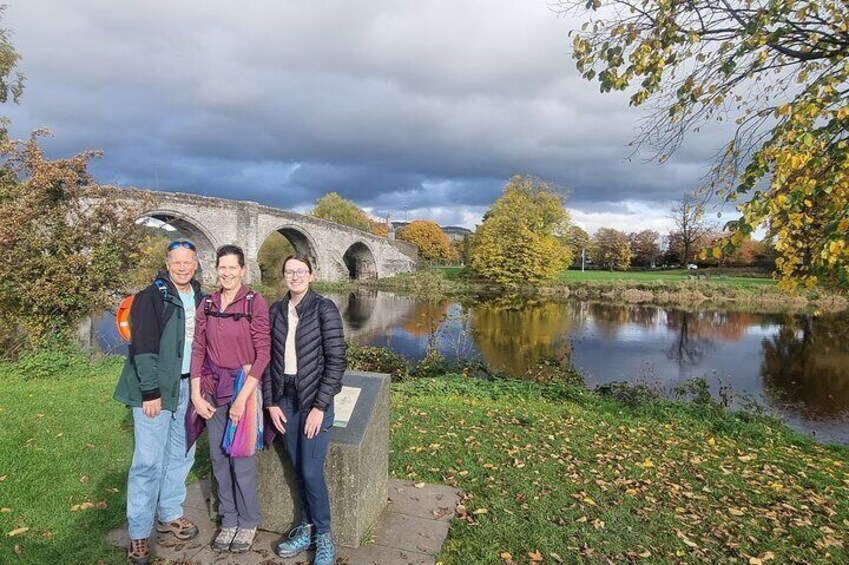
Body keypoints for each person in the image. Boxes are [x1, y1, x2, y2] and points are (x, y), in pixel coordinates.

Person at [114, 239, 204, 565]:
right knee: (148, 462)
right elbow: (144, 347)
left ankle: (170, 513)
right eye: (176, 262)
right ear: (168, 264)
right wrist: (150, 391)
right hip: (155, 391)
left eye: (188, 262)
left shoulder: (201, 298)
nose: (182, 267)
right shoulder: (151, 297)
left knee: (181, 454)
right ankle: (139, 533)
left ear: (195, 264)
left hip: (187, 390)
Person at [263, 254, 346, 565]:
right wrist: (270, 403)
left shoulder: (324, 309)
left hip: (314, 402)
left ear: (312, 275)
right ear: (283, 276)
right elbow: (268, 361)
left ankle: (324, 536)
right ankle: (307, 528)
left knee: (311, 471)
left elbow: (336, 362)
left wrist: (319, 407)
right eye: (289, 272)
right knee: (299, 469)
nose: (295, 276)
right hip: (284, 400)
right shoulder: (276, 311)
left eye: (300, 271)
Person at [189, 244, 270, 553]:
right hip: (212, 386)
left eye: (232, 267)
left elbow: (263, 354)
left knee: (241, 459)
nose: (226, 272)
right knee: (218, 459)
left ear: (242, 270)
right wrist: (196, 393)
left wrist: (241, 400)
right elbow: (198, 348)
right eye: (221, 267)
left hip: (243, 386)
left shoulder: (254, 303)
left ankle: (248, 521)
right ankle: (229, 520)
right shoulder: (207, 303)